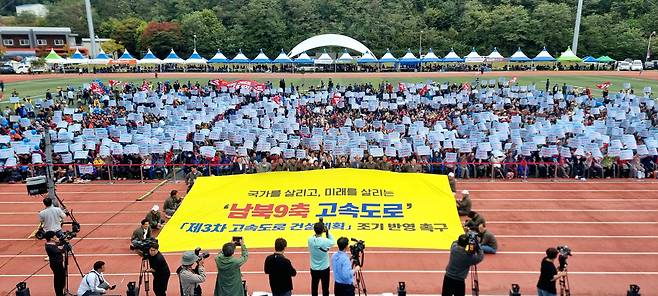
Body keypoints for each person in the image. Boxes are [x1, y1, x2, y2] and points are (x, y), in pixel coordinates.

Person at [308, 221, 335, 296]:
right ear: (323, 230)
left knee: (314, 287)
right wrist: (327, 232)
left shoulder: (310, 240)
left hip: (314, 268)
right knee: (325, 288)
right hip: (324, 268)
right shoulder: (325, 241)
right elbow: (333, 241)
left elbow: (314, 237)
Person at [44, 231, 65, 296]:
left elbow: (60, 244)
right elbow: (60, 251)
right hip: (56, 264)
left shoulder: (52, 244)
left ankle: (61, 291)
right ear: (51, 238)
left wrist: (64, 241)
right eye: (55, 236)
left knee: (62, 277)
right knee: (58, 279)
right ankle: (59, 293)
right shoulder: (49, 246)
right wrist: (65, 246)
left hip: (58, 263)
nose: (56, 237)